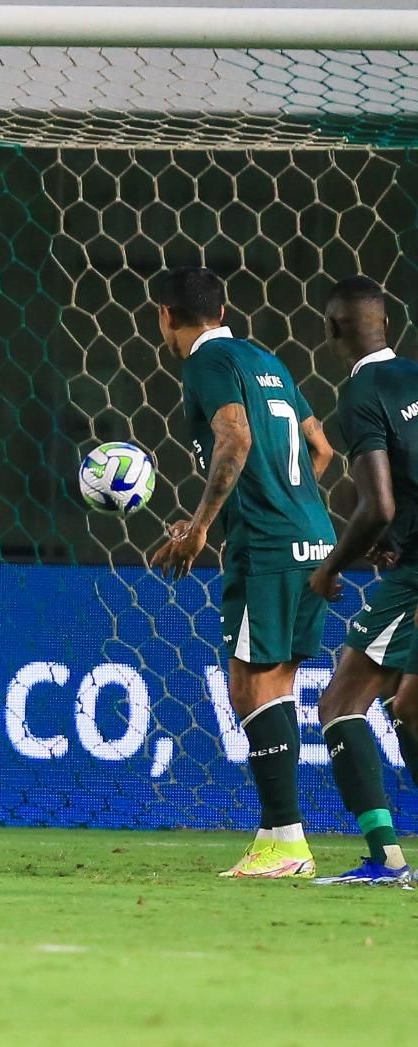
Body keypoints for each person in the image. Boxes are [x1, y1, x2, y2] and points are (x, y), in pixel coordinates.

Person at [148, 266, 335, 880]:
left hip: (266, 546)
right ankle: (278, 838)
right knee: (274, 682)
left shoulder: (204, 362)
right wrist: (284, 502)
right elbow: (321, 449)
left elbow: (234, 438)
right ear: (222, 310)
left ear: (166, 317)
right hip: (313, 534)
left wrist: (203, 525)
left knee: (249, 685)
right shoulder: (264, 358)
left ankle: (285, 843)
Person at [308, 277, 418, 885]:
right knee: (410, 710)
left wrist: (330, 568)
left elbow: (376, 504)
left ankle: (385, 858)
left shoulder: (360, 395)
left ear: (332, 329)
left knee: (340, 703)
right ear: (388, 324)